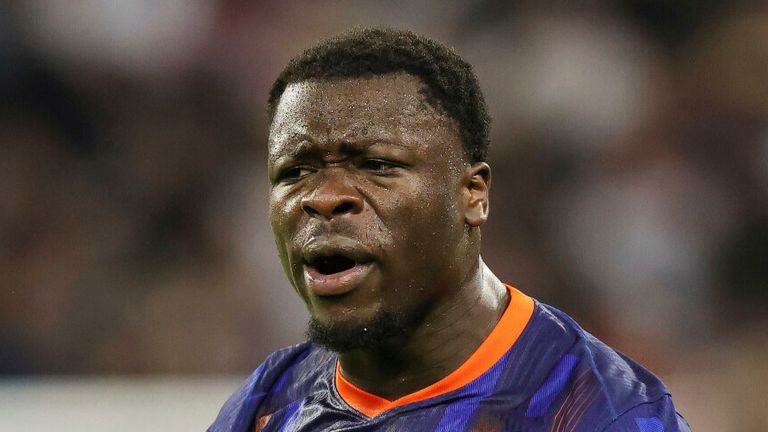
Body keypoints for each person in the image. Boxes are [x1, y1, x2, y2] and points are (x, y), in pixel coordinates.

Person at [210, 27, 690, 432]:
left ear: (473, 195)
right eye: (294, 172)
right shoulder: (267, 405)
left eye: (376, 164)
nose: (323, 196)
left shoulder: (596, 411)